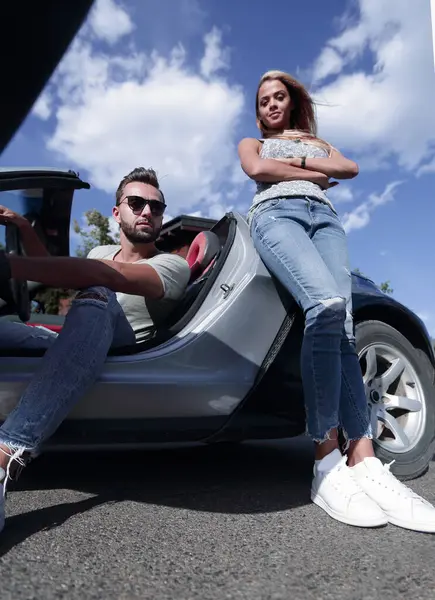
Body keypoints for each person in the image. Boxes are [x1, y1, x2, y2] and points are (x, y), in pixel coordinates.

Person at [238, 70, 435, 532]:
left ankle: (363, 461)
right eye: (263, 99)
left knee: (345, 324)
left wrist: (315, 165)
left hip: (325, 220)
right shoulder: (253, 142)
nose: (270, 104)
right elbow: (257, 170)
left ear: (291, 101)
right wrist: (312, 170)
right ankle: (325, 460)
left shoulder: (314, 140)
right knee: (324, 305)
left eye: (278, 96)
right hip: (276, 213)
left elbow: (349, 168)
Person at [0, 166, 191, 532]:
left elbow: (103, 276)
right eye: (136, 203)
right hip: (71, 341)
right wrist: (23, 226)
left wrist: (6, 266)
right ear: (117, 213)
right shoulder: (102, 250)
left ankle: (8, 452)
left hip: (117, 349)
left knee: (98, 293)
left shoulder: (172, 265)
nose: (147, 212)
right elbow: (52, 271)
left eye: (156, 206)